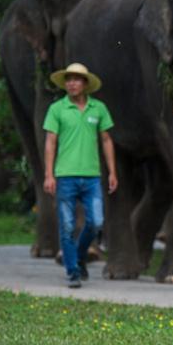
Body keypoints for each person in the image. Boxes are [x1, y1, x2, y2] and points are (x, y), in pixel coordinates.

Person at [42, 63, 117, 288]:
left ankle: (80, 255)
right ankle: (73, 270)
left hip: (92, 176)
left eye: (76, 79)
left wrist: (112, 171)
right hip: (65, 176)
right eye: (68, 79)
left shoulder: (98, 108)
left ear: (85, 84)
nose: (71, 83)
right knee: (66, 226)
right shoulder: (57, 109)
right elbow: (50, 142)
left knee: (96, 223)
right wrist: (48, 174)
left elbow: (106, 140)